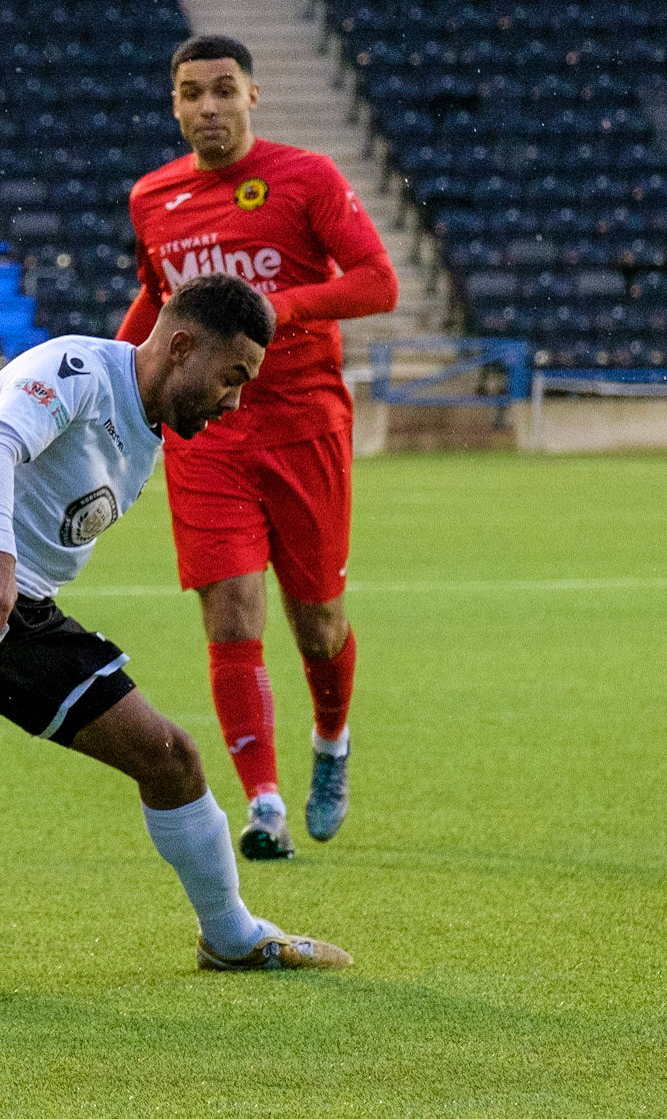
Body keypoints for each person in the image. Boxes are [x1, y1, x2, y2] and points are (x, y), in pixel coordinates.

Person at [0, 273, 352, 978]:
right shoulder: (78, 370)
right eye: (231, 376)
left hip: (14, 602)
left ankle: (230, 932)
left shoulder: (144, 435)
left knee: (170, 756)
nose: (236, 399)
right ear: (181, 345)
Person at [114, 34, 400, 860]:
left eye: (224, 90)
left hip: (304, 425)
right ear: (173, 103)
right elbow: (157, 298)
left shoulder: (306, 177)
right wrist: (107, 369)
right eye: (192, 93)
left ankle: (331, 740)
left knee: (318, 622)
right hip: (207, 434)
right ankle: (264, 802)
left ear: (252, 96)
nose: (209, 107)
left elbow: (378, 282)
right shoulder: (154, 197)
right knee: (230, 608)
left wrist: (273, 309)